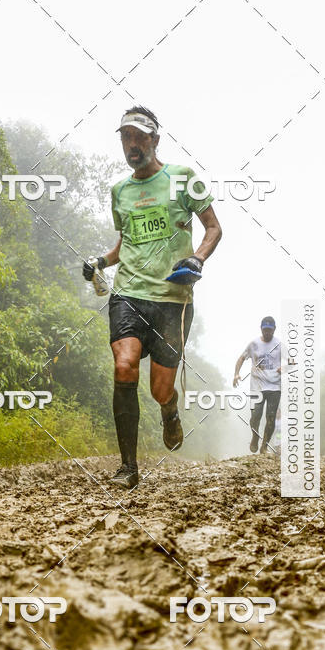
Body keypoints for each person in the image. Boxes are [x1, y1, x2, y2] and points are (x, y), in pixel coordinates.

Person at [83, 106, 222, 488]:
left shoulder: (183, 178)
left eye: (140, 136)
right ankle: (128, 467)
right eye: (126, 136)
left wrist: (198, 257)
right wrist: (101, 261)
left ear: (155, 140)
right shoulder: (120, 192)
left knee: (160, 389)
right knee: (124, 364)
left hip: (172, 299)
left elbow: (213, 228)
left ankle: (170, 410)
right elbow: (125, 244)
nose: (132, 143)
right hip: (128, 294)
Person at [233, 316, 281, 455]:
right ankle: (255, 436)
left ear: (274, 330)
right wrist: (236, 374)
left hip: (275, 387)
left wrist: (284, 367)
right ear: (261, 329)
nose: (267, 333)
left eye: (270, 330)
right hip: (257, 386)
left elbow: (291, 361)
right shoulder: (253, 344)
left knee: (271, 417)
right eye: (265, 330)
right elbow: (241, 358)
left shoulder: (279, 344)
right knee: (255, 416)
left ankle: (264, 445)